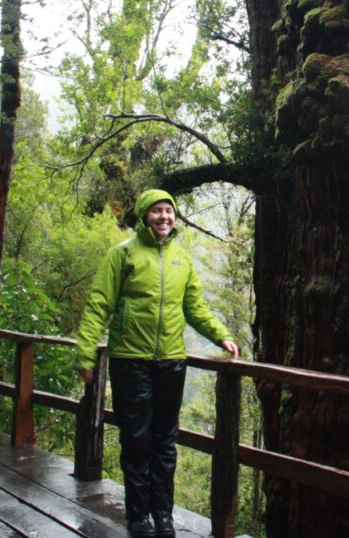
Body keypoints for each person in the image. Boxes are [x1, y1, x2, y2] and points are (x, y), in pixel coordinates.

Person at [76, 189, 240, 538]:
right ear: (143, 216)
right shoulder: (122, 255)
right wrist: (86, 354)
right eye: (157, 211)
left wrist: (221, 335)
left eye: (170, 211)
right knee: (137, 441)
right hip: (130, 361)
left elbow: (194, 307)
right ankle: (138, 517)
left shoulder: (182, 258)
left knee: (165, 442)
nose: (164, 217)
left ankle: (163, 516)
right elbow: (98, 306)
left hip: (171, 362)